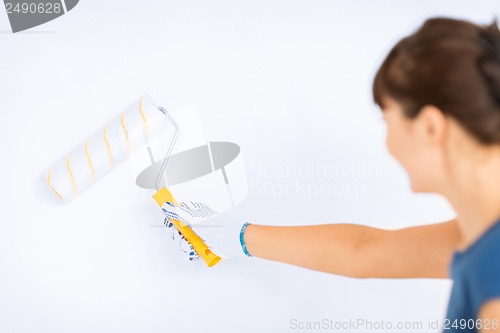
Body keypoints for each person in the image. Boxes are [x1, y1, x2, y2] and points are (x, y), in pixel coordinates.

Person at [161, 17, 500, 332]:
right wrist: (231, 235)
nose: (388, 144)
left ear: (429, 127)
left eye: (388, 120)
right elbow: (364, 251)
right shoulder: (479, 233)